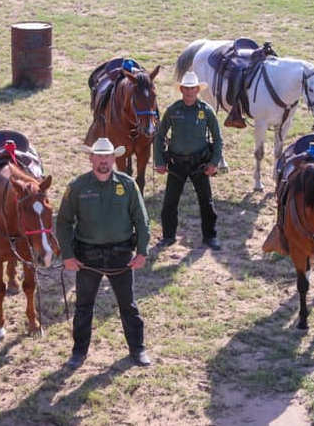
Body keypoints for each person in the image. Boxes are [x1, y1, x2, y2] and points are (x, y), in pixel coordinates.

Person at [56, 138, 152, 368]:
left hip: (120, 255)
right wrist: (68, 255)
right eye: (98, 157)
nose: (103, 161)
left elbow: (142, 219)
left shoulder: (128, 185)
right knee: (84, 306)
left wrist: (142, 252)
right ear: (91, 158)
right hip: (88, 256)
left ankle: (137, 349)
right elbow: (63, 222)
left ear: (114, 158)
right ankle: (79, 352)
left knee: (128, 305)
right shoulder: (77, 186)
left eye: (107, 157)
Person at [154, 71, 223, 250]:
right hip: (176, 163)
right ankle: (168, 236)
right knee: (170, 201)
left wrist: (214, 162)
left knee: (206, 202)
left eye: (193, 88)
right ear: (182, 89)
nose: (190, 92)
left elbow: (218, 138)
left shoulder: (206, 111)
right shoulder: (173, 110)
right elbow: (160, 135)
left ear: (197, 90)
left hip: (199, 163)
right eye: (187, 88)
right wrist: (159, 161)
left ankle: (210, 237)